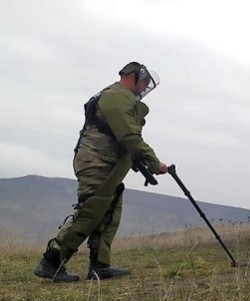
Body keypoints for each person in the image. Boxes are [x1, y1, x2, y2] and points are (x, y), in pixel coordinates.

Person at [33, 62, 168, 282]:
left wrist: (138, 162)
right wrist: (154, 163)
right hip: (96, 161)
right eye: (143, 83)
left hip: (108, 163)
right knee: (90, 211)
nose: (144, 89)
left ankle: (100, 265)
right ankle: (51, 261)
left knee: (109, 211)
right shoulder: (116, 96)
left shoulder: (117, 97)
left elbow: (120, 137)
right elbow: (129, 137)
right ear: (132, 77)